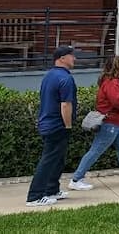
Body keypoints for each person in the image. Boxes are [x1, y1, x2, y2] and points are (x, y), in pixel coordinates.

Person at [68, 55, 119, 191]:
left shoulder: (110, 81)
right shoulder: (112, 82)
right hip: (111, 122)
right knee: (96, 150)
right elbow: (117, 101)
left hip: (118, 121)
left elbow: (116, 99)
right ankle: (76, 179)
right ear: (116, 67)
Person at [26, 45, 78, 207]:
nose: (74, 58)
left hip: (48, 123)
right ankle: (35, 196)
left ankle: (51, 190)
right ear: (62, 58)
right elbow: (65, 105)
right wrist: (68, 125)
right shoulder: (65, 79)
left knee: (57, 159)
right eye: (71, 55)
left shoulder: (50, 76)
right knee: (49, 160)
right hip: (57, 125)